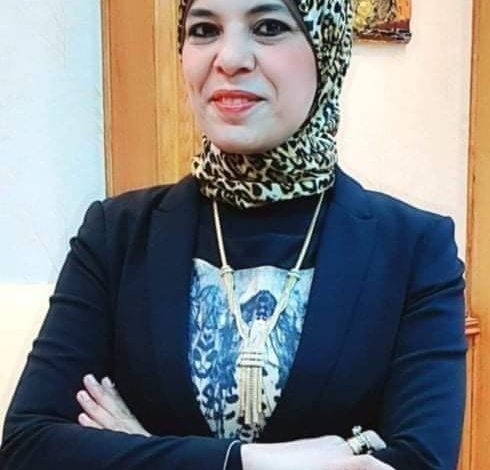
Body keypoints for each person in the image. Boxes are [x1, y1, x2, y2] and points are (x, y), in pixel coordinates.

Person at [0, 0, 466, 469]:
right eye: (204, 29)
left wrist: (141, 448)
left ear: (327, 47)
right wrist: (253, 461)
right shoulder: (116, 235)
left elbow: (420, 462)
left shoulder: (414, 250)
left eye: (268, 26)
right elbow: (28, 447)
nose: (230, 58)